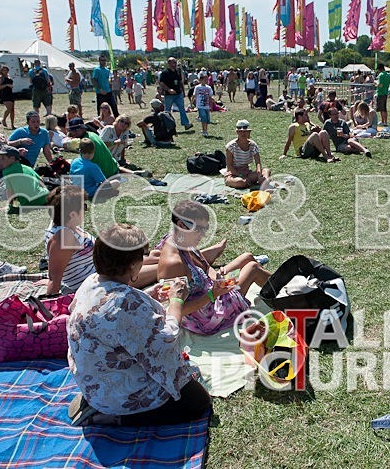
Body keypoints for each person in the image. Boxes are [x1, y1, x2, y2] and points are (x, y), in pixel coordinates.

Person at [67, 223, 211, 427]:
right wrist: (176, 301)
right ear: (133, 265)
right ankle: (111, 416)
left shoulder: (91, 282)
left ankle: (99, 402)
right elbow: (165, 341)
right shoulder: (126, 304)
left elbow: (111, 312)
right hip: (118, 396)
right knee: (198, 402)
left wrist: (148, 294)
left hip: (92, 379)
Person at [157, 200, 270, 335]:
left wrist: (216, 277)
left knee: (247, 257)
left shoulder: (181, 238)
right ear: (181, 225)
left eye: (205, 228)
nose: (203, 234)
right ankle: (284, 292)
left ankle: (280, 287)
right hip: (205, 314)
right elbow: (177, 307)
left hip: (210, 289)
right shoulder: (173, 263)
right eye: (200, 229)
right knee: (252, 268)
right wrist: (214, 294)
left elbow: (204, 265)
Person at [0, 145, 49, 212]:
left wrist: (9, 206)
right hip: (45, 197)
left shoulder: (7, 171)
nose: (0, 161)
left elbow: (10, 191)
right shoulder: (28, 168)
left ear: (12, 158)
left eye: (3, 158)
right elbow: (41, 181)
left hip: (29, 203)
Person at [224, 120, 270, 189]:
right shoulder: (231, 146)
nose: (243, 134)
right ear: (237, 132)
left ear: (249, 132)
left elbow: (258, 163)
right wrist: (240, 175)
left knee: (266, 171)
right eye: (240, 132)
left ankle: (258, 183)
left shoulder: (253, 145)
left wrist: (259, 175)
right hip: (234, 173)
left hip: (246, 172)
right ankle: (248, 182)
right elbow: (229, 166)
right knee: (240, 182)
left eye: (245, 131)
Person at [159, 57, 192, 130]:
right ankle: (167, 126)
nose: (175, 64)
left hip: (178, 94)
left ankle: (186, 124)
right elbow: (161, 83)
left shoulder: (178, 71)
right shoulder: (164, 73)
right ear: (169, 63)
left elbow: (180, 82)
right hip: (169, 95)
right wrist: (168, 89)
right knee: (167, 111)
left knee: (182, 109)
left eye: (175, 62)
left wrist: (183, 92)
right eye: (173, 62)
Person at [192, 73, 214, 137]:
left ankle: (205, 129)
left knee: (207, 120)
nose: (206, 80)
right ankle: (204, 131)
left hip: (206, 106)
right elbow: (194, 95)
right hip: (200, 105)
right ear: (200, 80)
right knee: (204, 118)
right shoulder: (197, 87)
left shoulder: (209, 88)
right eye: (205, 79)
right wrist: (191, 103)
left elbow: (210, 96)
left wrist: (212, 104)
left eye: (207, 79)